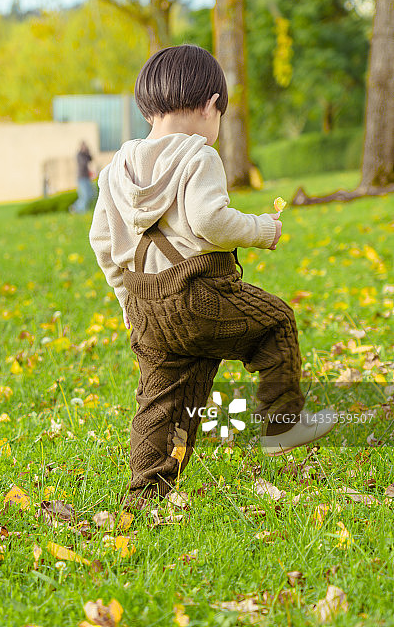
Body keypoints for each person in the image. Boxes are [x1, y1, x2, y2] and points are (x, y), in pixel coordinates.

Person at [89, 44, 335, 511]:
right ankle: (282, 425)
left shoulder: (114, 171)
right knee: (276, 323)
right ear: (210, 105)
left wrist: (127, 305)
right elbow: (209, 219)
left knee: (162, 398)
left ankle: (147, 493)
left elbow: (103, 242)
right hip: (199, 296)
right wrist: (261, 229)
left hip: (146, 309)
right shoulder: (199, 157)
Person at [70, 141, 96, 214]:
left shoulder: (85, 155)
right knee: (84, 196)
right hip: (82, 178)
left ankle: (77, 208)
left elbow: (91, 159)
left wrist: (88, 152)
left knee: (90, 195)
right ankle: (77, 209)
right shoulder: (79, 155)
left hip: (87, 178)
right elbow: (84, 163)